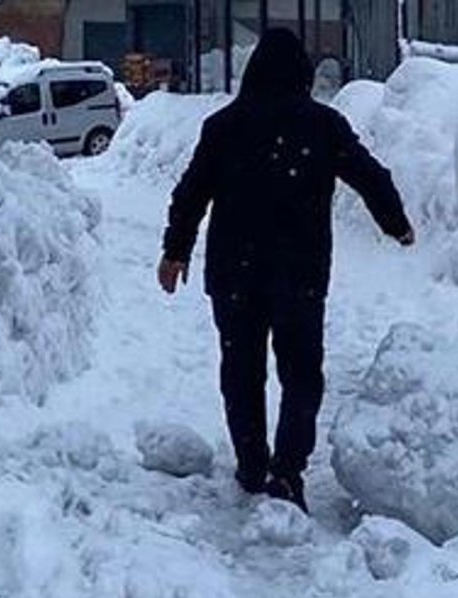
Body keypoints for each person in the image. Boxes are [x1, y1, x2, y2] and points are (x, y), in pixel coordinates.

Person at [158, 28, 414, 513]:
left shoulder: (224, 126)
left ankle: (252, 462)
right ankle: (288, 470)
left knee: (241, 369)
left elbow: (190, 194)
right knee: (300, 373)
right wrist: (396, 223)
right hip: (299, 273)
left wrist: (175, 252)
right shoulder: (322, 125)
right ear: (303, 74)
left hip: (235, 273)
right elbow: (369, 174)